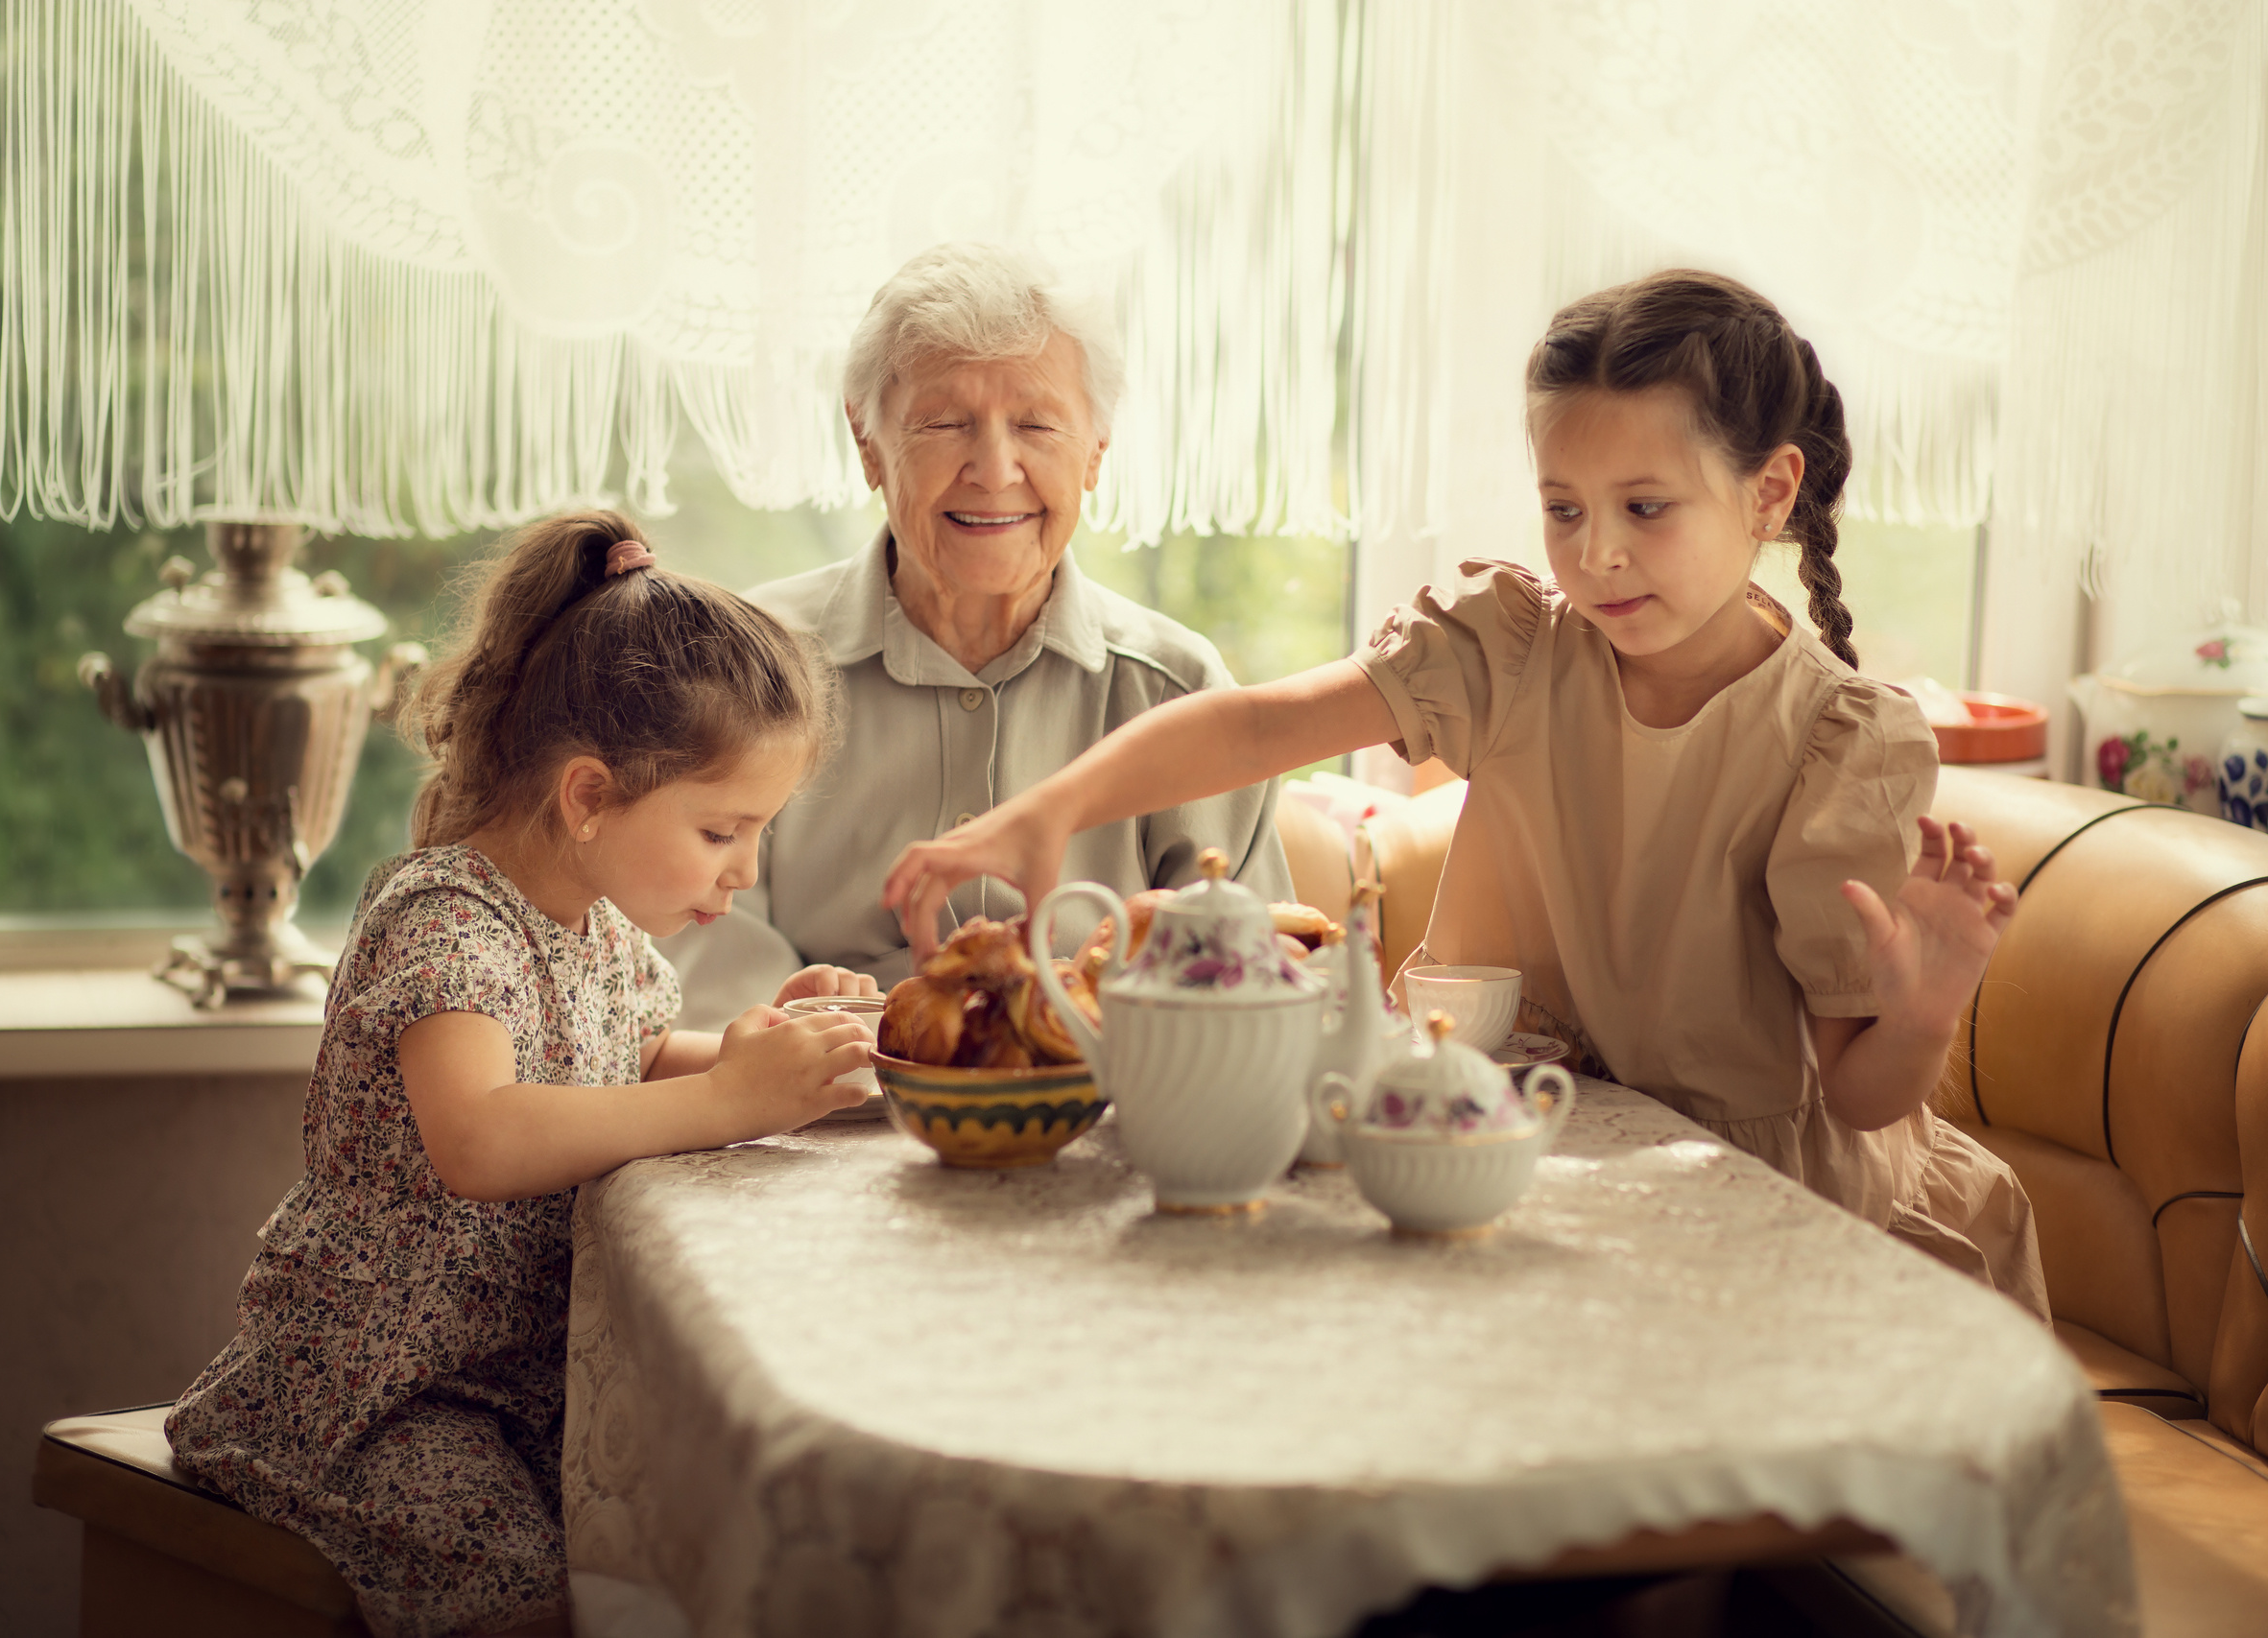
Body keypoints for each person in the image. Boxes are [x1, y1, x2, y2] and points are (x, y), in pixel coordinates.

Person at [883, 270, 2048, 1318]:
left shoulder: (1840, 738)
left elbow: (1856, 1098)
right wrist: (1049, 811)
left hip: (1760, 1225)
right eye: (1562, 508)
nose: (1594, 556)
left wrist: (1925, 1008)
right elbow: (1259, 723)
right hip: (1520, 1158)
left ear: (1768, 491)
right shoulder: (1515, 647)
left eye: (1646, 508)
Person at [166, 512, 879, 1638]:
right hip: (379, 1393)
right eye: (720, 832)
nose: (744, 872)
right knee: (530, 1597)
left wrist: (763, 1055)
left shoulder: (593, 927)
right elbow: (483, 1136)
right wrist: (729, 1102)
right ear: (589, 796)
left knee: (701, 1519)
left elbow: (631, 1061)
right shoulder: (447, 919)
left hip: (510, 1381)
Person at [657, 243, 1290, 1026]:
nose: (994, 469)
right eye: (945, 423)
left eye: (1036, 424)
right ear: (867, 444)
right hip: (807, 1107)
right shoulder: (748, 665)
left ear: (1096, 450)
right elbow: (693, 947)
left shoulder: (1177, 690)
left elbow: (1253, 984)